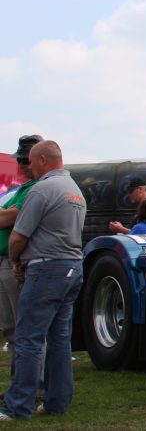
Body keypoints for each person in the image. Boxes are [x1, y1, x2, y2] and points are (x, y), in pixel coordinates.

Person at [0, 140, 85, 420]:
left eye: (31, 161)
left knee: (28, 338)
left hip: (46, 269)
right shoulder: (75, 192)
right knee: (60, 340)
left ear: (43, 160)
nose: (28, 167)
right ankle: (56, 402)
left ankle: (18, 406)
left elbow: (18, 235)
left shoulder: (42, 189)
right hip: (72, 267)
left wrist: (15, 259)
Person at [0, 135, 42, 369]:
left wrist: (6, 214)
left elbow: (8, 218)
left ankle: (28, 385)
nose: (23, 165)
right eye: (21, 160)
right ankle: (19, 384)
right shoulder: (22, 189)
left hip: (17, 262)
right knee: (11, 328)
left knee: (22, 327)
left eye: (27, 160)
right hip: (7, 261)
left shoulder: (37, 188)